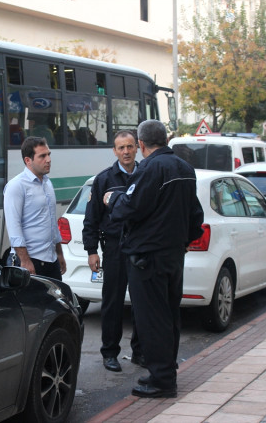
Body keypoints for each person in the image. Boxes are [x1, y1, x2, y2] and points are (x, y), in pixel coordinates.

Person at [103, 120, 204, 399]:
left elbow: (131, 207)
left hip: (148, 257)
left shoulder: (150, 168)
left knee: (152, 318)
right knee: (170, 315)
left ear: (142, 145)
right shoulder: (184, 168)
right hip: (173, 255)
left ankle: (161, 379)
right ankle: (166, 371)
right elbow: (196, 216)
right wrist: (183, 241)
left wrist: (112, 200)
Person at [83, 130, 143, 373]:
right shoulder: (104, 179)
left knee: (142, 303)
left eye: (130, 146)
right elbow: (92, 218)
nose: (126, 152)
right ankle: (110, 353)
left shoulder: (145, 175)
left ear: (137, 147)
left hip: (140, 248)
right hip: (115, 248)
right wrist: (91, 251)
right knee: (112, 303)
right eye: (121, 148)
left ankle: (140, 351)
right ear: (114, 151)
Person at [3, 136, 66, 279]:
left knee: (57, 300)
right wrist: (25, 261)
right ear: (28, 160)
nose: (48, 159)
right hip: (30, 262)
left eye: (49, 154)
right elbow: (14, 227)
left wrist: (59, 253)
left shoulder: (47, 183)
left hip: (51, 260)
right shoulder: (16, 186)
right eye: (42, 156)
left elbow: (51, 222)